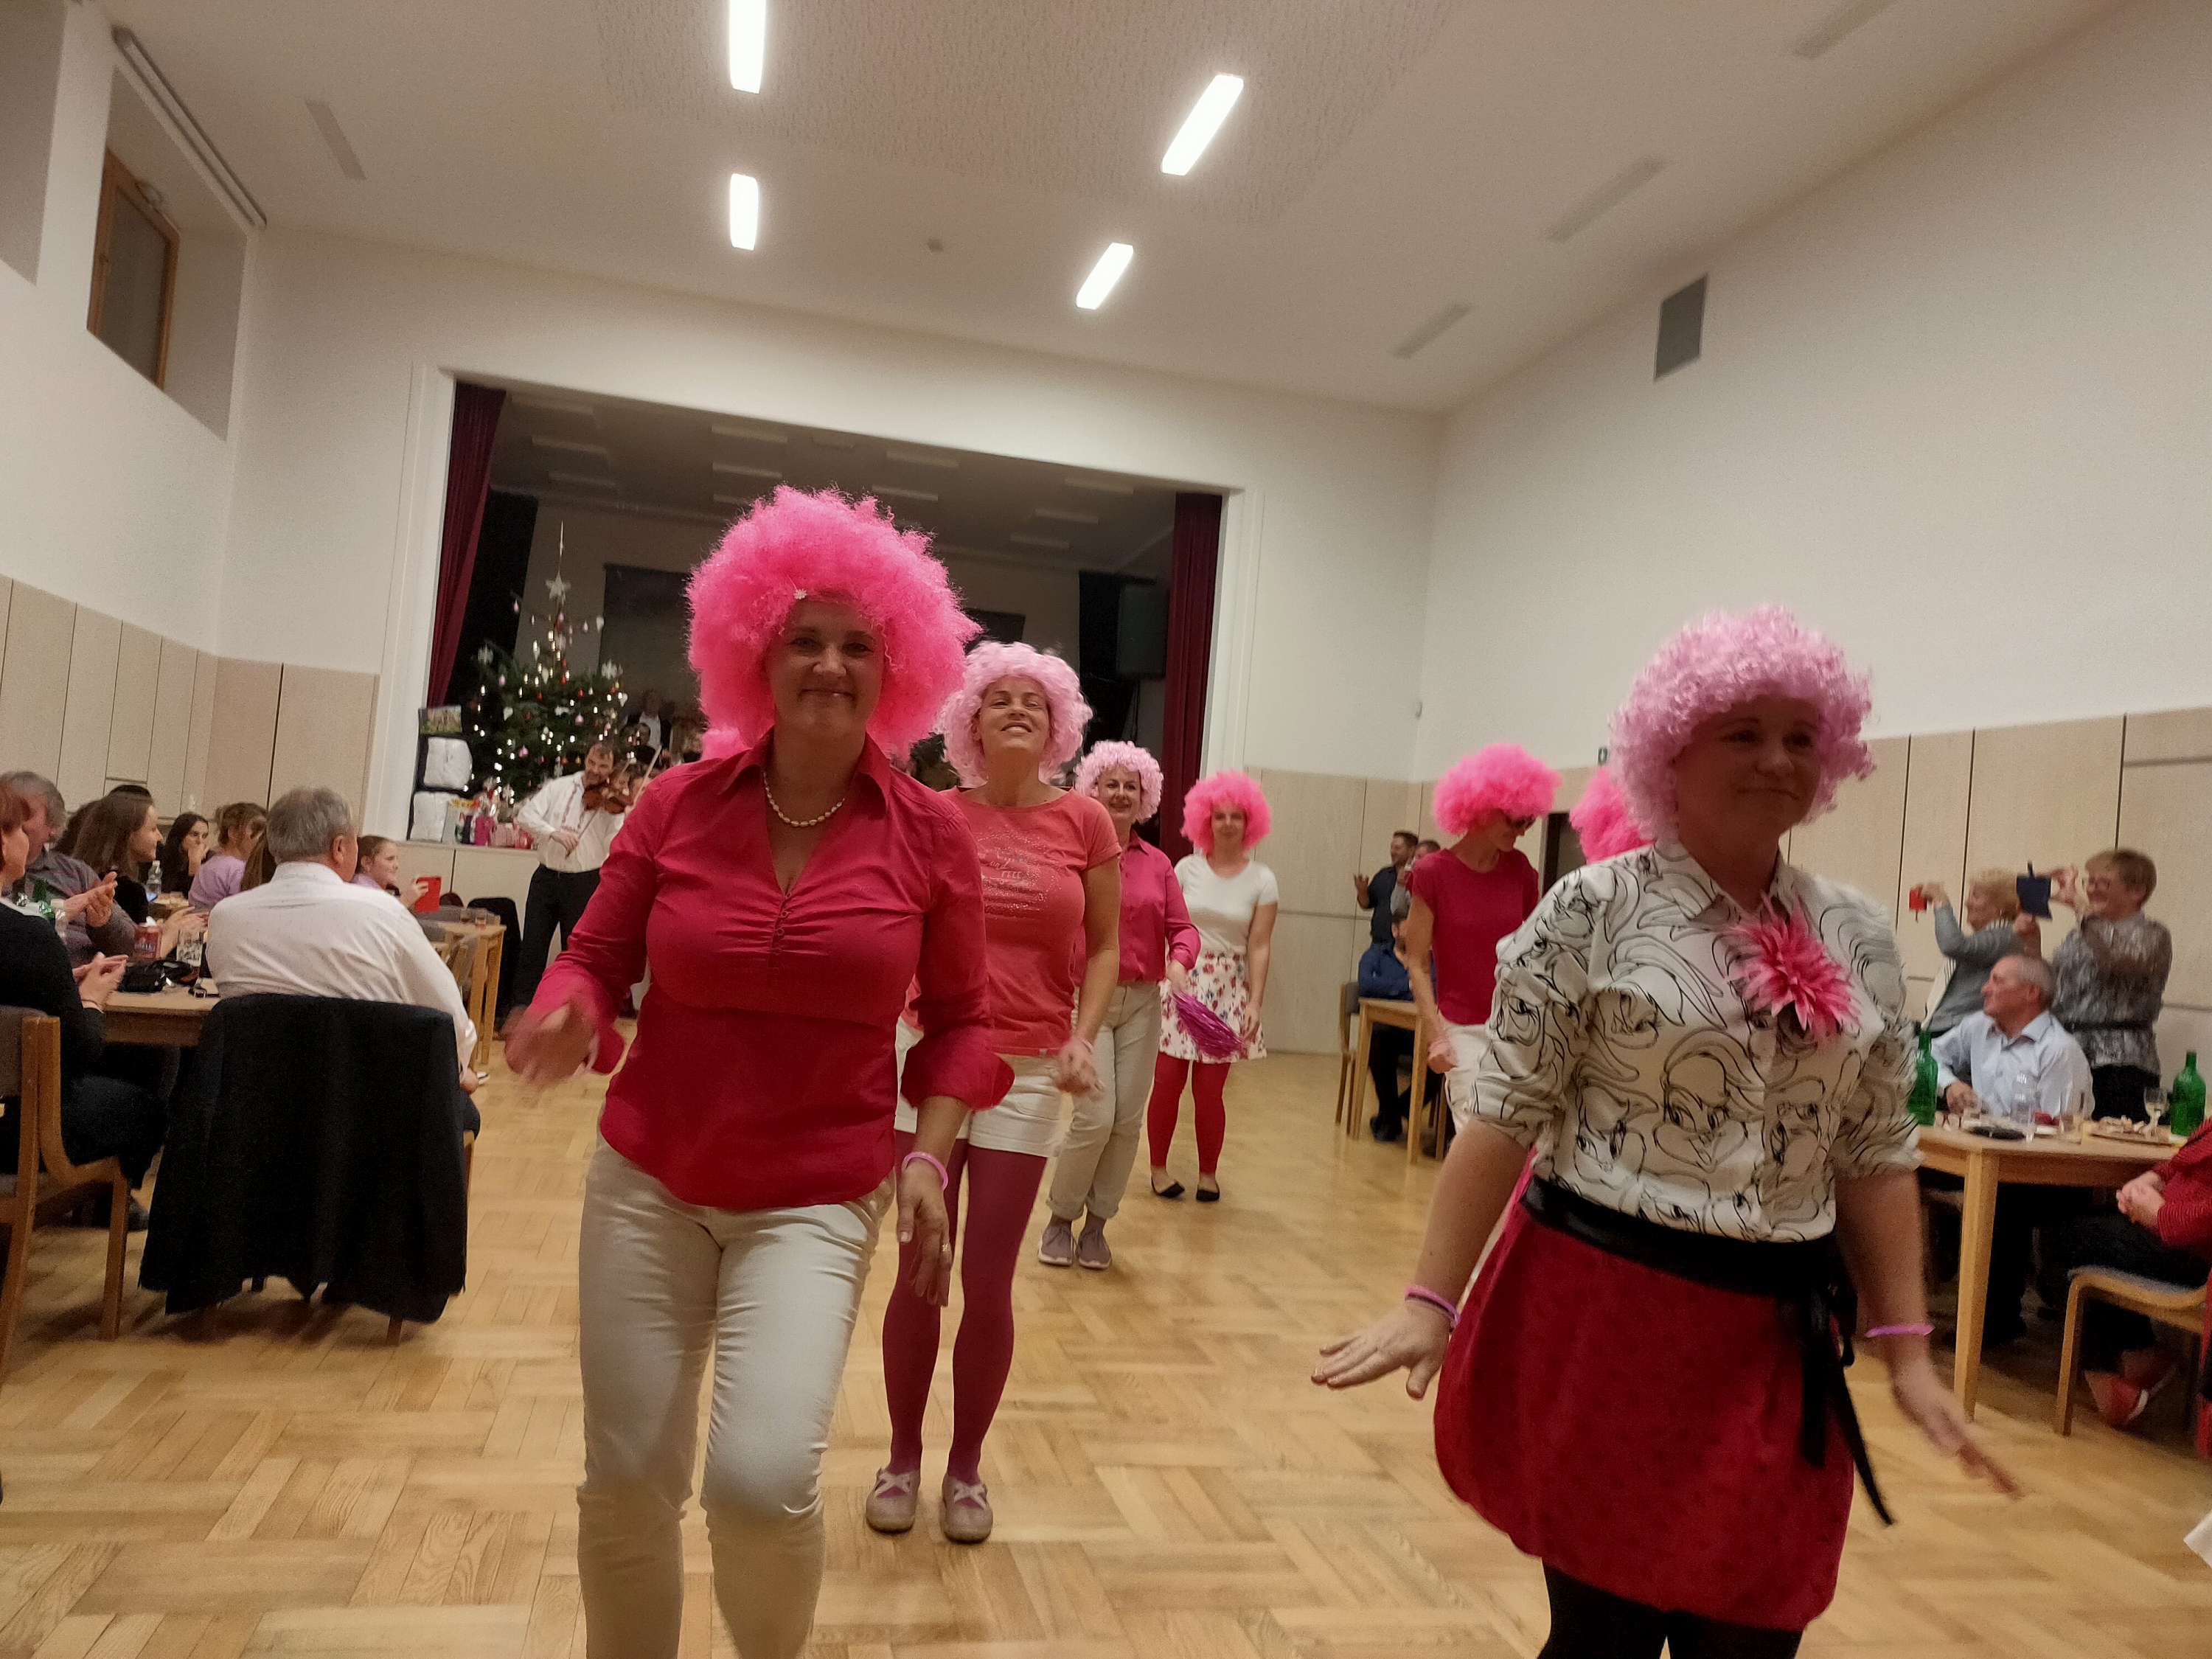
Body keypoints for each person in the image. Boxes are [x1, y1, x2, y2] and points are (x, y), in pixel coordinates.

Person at [1315, 608, 2012, 1659]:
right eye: (1744, 733)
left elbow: (1875, 1149)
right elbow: (1504, 1115)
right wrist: (1429, 1301)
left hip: (1774, 1336)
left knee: (1758, 1629)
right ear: (1670, 750)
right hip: (1608, 1322)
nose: (1778, 758)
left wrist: (1907, 1349)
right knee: (1604, 1637)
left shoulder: (1859, 932)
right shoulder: (1589, 910)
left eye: (1800, 736)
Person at [504, 487, 1005, 1658]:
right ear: (755, 654)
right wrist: (570, 1006)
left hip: (816, 1194)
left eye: (857, 644)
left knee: (762, 1482)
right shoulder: (678, 802)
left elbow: (961, 1023)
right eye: (803, 638)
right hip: (649, 1178)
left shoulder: (930, 833)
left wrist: (931, 1155)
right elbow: (596, 953)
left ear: (897, 668)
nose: (829, 664)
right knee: (626, 1476)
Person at [873, 641, 1119, 1545]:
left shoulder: (1087, 822)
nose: (1017, 709)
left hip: (1029, 1070)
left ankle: (965, 1469)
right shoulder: (936, 813)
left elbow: (1105, 946)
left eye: (1034, 701)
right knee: (918, 1267)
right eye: (999, 698)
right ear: (970, 720)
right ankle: (902, 1457)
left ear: (1057, 724)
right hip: (932, 1057)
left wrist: (1083, 1036)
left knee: (987, 1278)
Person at [206, 788, 481, 1105]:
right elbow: (449, 1017)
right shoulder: (383, 912)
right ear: (339, 848)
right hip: (370, 1107)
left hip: (253, 1107)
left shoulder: (225, 917)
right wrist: (459, 1069)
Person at [1037, 740, 1196, 1270]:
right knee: (1095, 1117)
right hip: (1087, 1000)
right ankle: (1060, 1218)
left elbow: (1183, 928)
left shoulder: (1160, 863)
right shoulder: (1074, 854)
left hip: (1143, 1003)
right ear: (1094, 789)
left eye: (1132, 786)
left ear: (1144, 796)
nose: (1123, 793)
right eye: (1113, 784)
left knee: (1127, 1121)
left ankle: (1098, 1225)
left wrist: (1180, 961)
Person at [0, 777, 165, 1194]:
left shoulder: (74, 875)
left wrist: (65, 974)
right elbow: (80, 1052)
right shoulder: (30, 934)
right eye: (17, 825)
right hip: (21, 1122)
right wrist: (90, 998)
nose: (24, 834)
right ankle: (105, 1204)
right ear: (2, 844)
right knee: (145, 1106)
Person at [1929, 953, 2093, 1343]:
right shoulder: (1978, 1027)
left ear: (2031, 993)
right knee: (1897, 1165)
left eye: (1997, 981)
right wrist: (1950, 1084)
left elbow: (2060, 1135)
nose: (1985, 988)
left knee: (2002, 1199)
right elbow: (1928, 1054)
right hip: (1984, 1155)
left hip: (2044, 1174)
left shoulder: (2059, 1050)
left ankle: (1995, 1320)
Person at [1402, 744, 1554, 1140]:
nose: (1521, 831)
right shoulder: (1433, 873)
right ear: (1482, 808)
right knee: (1477, 1137)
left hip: (1517, 1025)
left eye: (1527, 822)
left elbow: (1533, 954)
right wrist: (1436, 1035)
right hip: (1463, 1028)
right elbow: (1417, 962)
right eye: (1514, 820)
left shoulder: (1521, 871)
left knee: (1520, 1142)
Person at [1147, 770, 1276, 1203]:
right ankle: (1158, 1169)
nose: (1227, 823)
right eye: (1219, 815)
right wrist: (1171, 969)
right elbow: (1167, 926)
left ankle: (1208, 1174)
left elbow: (1259, 945)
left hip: (1227, 990)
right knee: (1167, 1082)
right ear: (1205, 820)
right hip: (1182, 980)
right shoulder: (1186, 869)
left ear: (1250, 822)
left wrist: (1255, 1002)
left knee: (1209, 1091)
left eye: (1236, 816)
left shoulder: (1263, 880)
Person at [2048, 1119, 2212, 1427]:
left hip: (2192, 1252)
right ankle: (2137, 1356)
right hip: (2168, 1232)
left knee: (2062, 1241)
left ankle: (2114, 1373)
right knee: (2071, 1233)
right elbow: (2184, 1161)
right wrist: (2150, 1180)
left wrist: (2161, 1216)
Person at [2048, 849, 2171, 1121]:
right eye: (2088, 882)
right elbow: (2054, 988)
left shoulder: (2153, 934)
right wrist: (2028, 938)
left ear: (2137, 891)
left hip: (2120, 1065)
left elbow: (2118, 958)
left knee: (2106, 1141)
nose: (2091, 890)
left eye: (2102, 883)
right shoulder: (2080, 934)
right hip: (2067, 1053)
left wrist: (2079, 905)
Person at [511, 742, 627, 1010]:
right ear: (585, 759)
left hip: (583, 882)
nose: (595, 770)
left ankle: (569, 1014)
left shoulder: (612, 803)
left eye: (603, 766)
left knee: (575, 954)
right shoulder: (559, 787)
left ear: (613, 769)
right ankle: (520, 1011)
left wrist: (620, 816)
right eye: (592, 763)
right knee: (532, 948)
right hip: (546, 878)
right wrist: (553, 833)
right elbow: (525, 815)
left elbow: (612, 845)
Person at [0, 771, 132, 964]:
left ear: (52, 826)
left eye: (23, 816)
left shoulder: (77, 873)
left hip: (89, 974)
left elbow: (131, 944)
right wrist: (60, 913)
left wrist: (103, 922)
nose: (12, 824)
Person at [72, 792, 204, 957]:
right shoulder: (128, 890)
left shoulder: (75, 873)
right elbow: (138, 956)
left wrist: (164, 930)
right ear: (128, 835)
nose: (160, 837)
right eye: (153, 829)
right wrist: (171, 936)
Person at [1916, 872, 2030, 1037]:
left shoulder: (2005, 937)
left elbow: (1953, 945)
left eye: (1975, 896)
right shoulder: (1998, 936)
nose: (1967, 903)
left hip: (1960, 1030)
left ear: (2000, 909)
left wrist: (1941, 901)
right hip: (1952, 1027)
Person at [1357, 917, 1438, 1144]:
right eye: (1410, 928)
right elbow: (1366, 985)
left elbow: (1437, 989)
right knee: (1378, 1040)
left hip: (1423, 1034)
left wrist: (1393, 988)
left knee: (1444, 1054)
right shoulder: (1376, 956)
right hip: (1391, 1031)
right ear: (1395, 930)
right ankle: (1391, 1118)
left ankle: (1396, 1111)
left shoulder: (1432, 961)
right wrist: (1410, 986)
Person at [189, 801, 265, 913]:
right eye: (258, 834)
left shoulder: (212, 863)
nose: (262, 842)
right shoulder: (238, 869)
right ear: (234, 833)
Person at [1353, 830, 1419, 950]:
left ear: (1411, 850)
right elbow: (1366, 904)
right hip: (1378, 943)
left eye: (1397, 848)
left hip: (1403, 945)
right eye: (1392, 847)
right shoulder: (1383, 874)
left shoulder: (1418, 876)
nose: (1393, 852)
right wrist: (1362, 892)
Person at [159, 811, 209, 896]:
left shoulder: (210, 860)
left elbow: (197, 897)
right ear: (180, 836)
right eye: (194, 835)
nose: (200, 841)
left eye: (204, 836)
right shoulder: (162, 855)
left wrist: (195, 865)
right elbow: (165, 891)